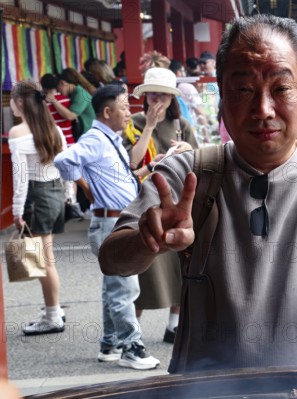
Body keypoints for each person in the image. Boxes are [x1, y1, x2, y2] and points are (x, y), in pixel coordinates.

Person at [99, 14, 297, 372]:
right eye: (243, 90)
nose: (263, 110)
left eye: (281, 88)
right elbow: (111, 259)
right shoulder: (186, 175)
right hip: (206, 391)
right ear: (222, 95)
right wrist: (145, 242)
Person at [54, 85, 160, 370]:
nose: (129, 113)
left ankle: (110, 343)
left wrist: (152, 167)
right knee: (124, 286)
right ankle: (131, 347)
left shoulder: (107, 139)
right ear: (107, 111)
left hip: (115, 219)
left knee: (114, 285)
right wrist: (85, 187)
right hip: (110, 221)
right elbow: (63, 160)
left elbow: (123, 177)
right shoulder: (96, 139)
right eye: (124, 107)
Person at [128, 67, 199, 343]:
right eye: (152, 95)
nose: (157, 101)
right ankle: (130, 330)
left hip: (178, 201)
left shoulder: (183, 127)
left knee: (179, 264)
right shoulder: (133, 122)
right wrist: (148, 126)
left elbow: (199, 163)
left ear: (173, 99)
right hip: (145, 202)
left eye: (164, 96)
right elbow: (131, 164)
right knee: (143, 267)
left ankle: (174, 324)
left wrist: (186, 151)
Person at [8, 80, 67, 335]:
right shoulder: (54, 128)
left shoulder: (18, 133)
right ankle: (53, 308)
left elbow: (20, 177)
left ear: (20, 102)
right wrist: (69, 195)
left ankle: (53, 315)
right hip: (55, 191)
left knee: (43, 262)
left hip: (36, 194)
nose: (10, 104)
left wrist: (16, 211)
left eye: (11, 99)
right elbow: (66, 165)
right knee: (47, 258)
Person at [55, 68, 96, 141]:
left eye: (58, 88)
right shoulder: (75, 93)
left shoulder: (81, 93)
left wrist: (53, 101)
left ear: (63, 82)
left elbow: (70, 116)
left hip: (90, 136)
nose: (58, 92)